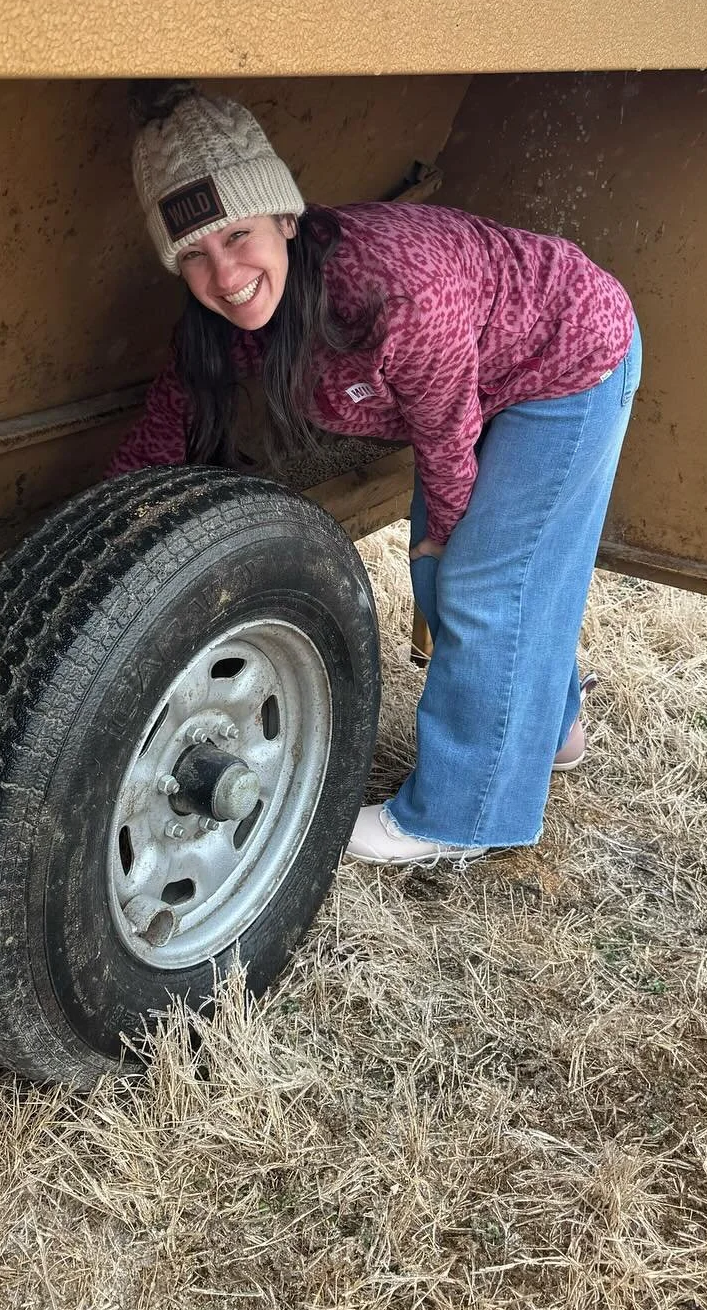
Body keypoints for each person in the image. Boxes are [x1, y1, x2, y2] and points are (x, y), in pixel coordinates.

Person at [108, 82, 640, 865]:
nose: (223, 275)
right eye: (194, 255)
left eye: (239, 236)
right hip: (479, 375)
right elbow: (165, 421)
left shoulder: (390, 283)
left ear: (286, 218)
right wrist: (116, 516)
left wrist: (442, 547)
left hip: (565, 357)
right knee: (483, 575)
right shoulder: (239, 315)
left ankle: (459, 814)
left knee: (482, 581)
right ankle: (550, 732)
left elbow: (448, 428)